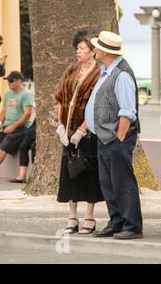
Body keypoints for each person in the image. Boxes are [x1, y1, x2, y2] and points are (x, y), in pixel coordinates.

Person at [85, 31, 143, 240]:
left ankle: (132, 225)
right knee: (108, 182)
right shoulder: (107, 71)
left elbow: (127, 111)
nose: (95, 50)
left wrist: (119, 138)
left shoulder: (122, 74)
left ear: (105, 51)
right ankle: (117, 221)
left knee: (122, 182)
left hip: (116, 137)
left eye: (97, 47)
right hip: (105, 136)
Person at [55, 30, 104, 235]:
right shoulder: (72, 69)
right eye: (77, 48)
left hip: (88, 133)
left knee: (88, 172)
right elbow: (61, 98)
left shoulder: (100, 72)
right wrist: (60, 126)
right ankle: (72, 216)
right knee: (70, 172)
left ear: (93, 51)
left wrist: (82, 130)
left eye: (82, 48)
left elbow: (95, 106)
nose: (79, 52)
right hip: (67, 131)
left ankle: (90, 217)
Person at [0, 71, 34, 173]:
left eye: (11, 80)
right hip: (5, 126)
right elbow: (3, 111)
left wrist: (13, 126)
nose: (8, 83)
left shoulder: (27, 94)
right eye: (7, 81)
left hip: (20, 127)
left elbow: (27, 115)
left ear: (19, 81)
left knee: (1, 151)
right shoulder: (8, 94)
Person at [10, 119, 36, 183]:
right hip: (34, 127)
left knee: (34, 147)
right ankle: (22, 176)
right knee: (23, 147)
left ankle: (34, 174)